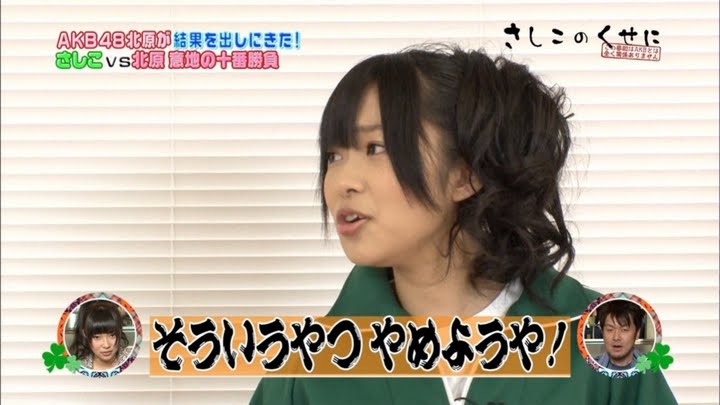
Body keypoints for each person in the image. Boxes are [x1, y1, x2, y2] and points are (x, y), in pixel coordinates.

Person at [250, 44, 677, 404]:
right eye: (333, 156)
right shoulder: (302, 373)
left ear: (465, 173)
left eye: (376, 147)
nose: (341, 181)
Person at [68, 300, 133, 371]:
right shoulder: (77, 366)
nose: (106, 345)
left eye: (112, 335)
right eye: (97, 337)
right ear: (85, 334)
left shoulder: (131, 358)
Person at [593, 300, 647, 371]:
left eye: (624, 330)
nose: (616, 337)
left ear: (637, 333)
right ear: (602, 332)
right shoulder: (590, 368)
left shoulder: (651, 368)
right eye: (610, 329)